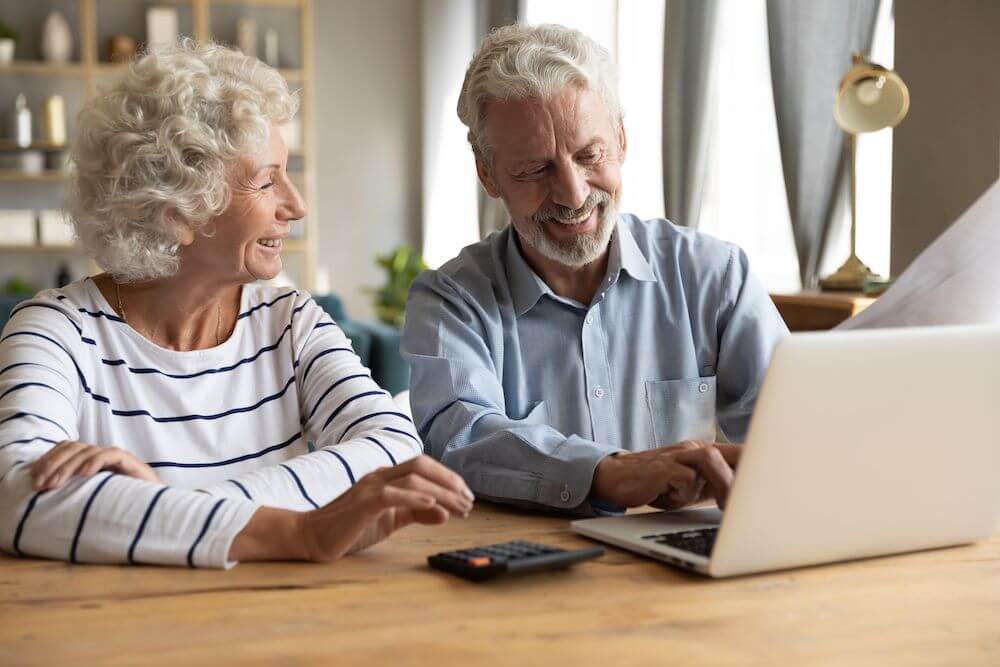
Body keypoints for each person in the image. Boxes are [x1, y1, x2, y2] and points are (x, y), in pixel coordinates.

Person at [0, 40, 473, 568]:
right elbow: (17, 499)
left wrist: (160, 507)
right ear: (178, 209)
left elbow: (395, 449)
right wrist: (298, 532)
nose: (297, 205)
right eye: (267, 181)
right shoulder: (55, 331)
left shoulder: (289, 321)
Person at [402, 24, 788, 516]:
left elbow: (795, 433)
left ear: (621, 140)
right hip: (532, 560)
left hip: (686, 558)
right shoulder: (451, 301)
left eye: (590, 155)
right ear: (488, 174)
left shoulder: (716, 276)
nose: (574, 194)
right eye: (535, 169)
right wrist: (610, 473)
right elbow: (462, 438)